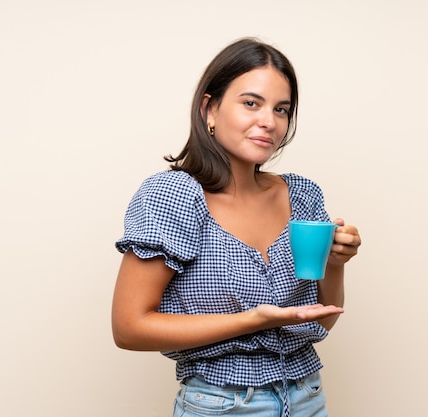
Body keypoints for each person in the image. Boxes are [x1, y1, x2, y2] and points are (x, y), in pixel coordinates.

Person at [111, 37, 361, 417]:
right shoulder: (174, 196)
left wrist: (337, 262)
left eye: (282, 109)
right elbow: (129, 328)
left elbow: (323, 318)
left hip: (307, 398)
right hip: (222, 406)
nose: (269, 121)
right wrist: (252, 320)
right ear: (209, 109)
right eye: (251, 103)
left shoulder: (302, 195)